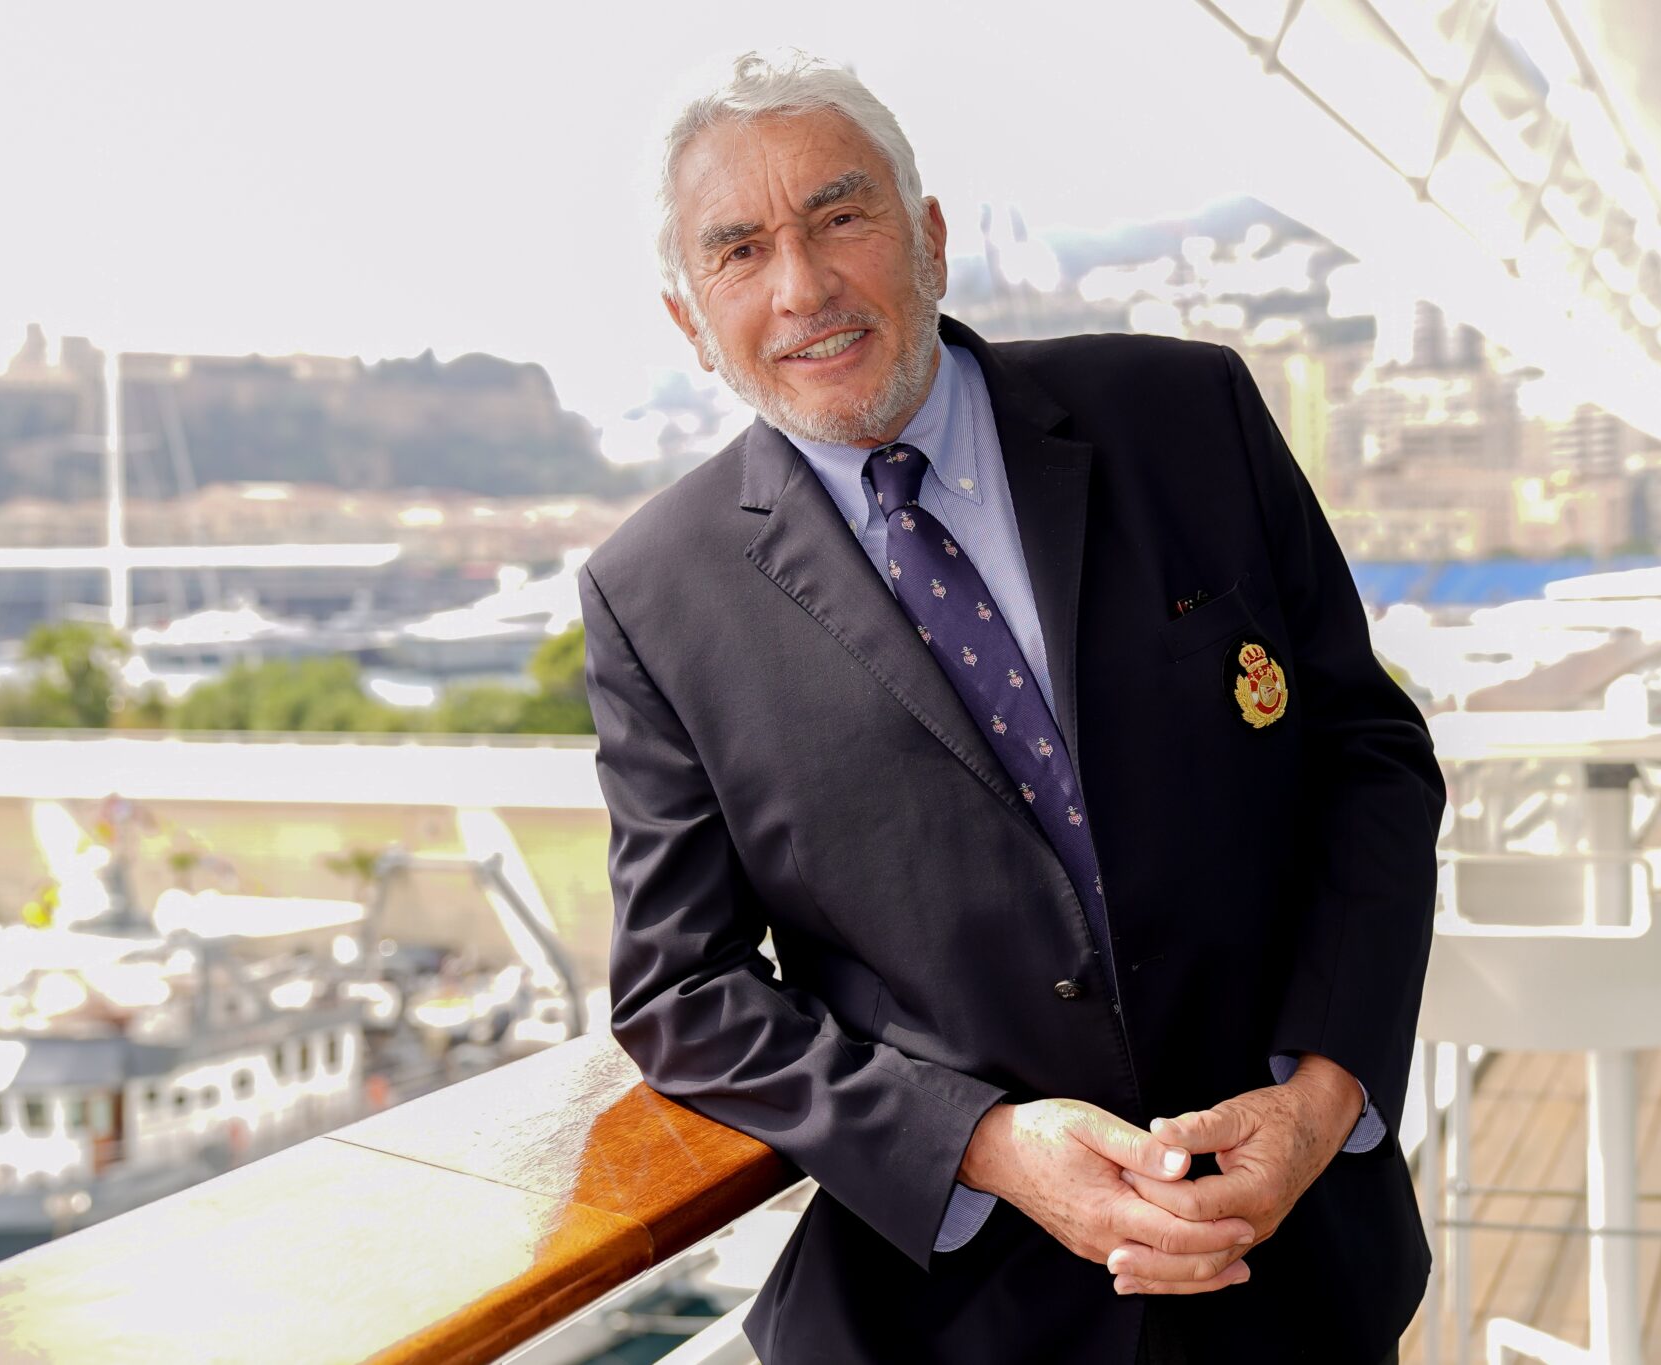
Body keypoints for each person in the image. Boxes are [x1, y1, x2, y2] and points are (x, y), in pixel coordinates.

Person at [578, 48, 1444, 1364]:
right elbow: (680, 988)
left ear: (927, 238)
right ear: (690, 321)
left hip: (1291, 1262)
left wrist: (1325, 1092)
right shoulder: (654, 594)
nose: (803, 286)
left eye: (839, 216)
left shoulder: (1186, 413)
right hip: (952, 1318)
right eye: (741, 250)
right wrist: (978, 1144)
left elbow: (1366, 759)